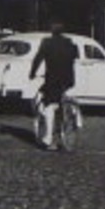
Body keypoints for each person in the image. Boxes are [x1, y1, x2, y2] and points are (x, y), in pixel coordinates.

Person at [29, 22, 79, 150]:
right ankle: (68, 120)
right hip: (68, 80)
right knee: (61, 99)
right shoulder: (70, 42)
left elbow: (38, 59)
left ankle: (48, 137)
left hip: (52, 80)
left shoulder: (47, 42)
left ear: (51, 31)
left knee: (49, 105)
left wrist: (32, 73)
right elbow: (74, 56)